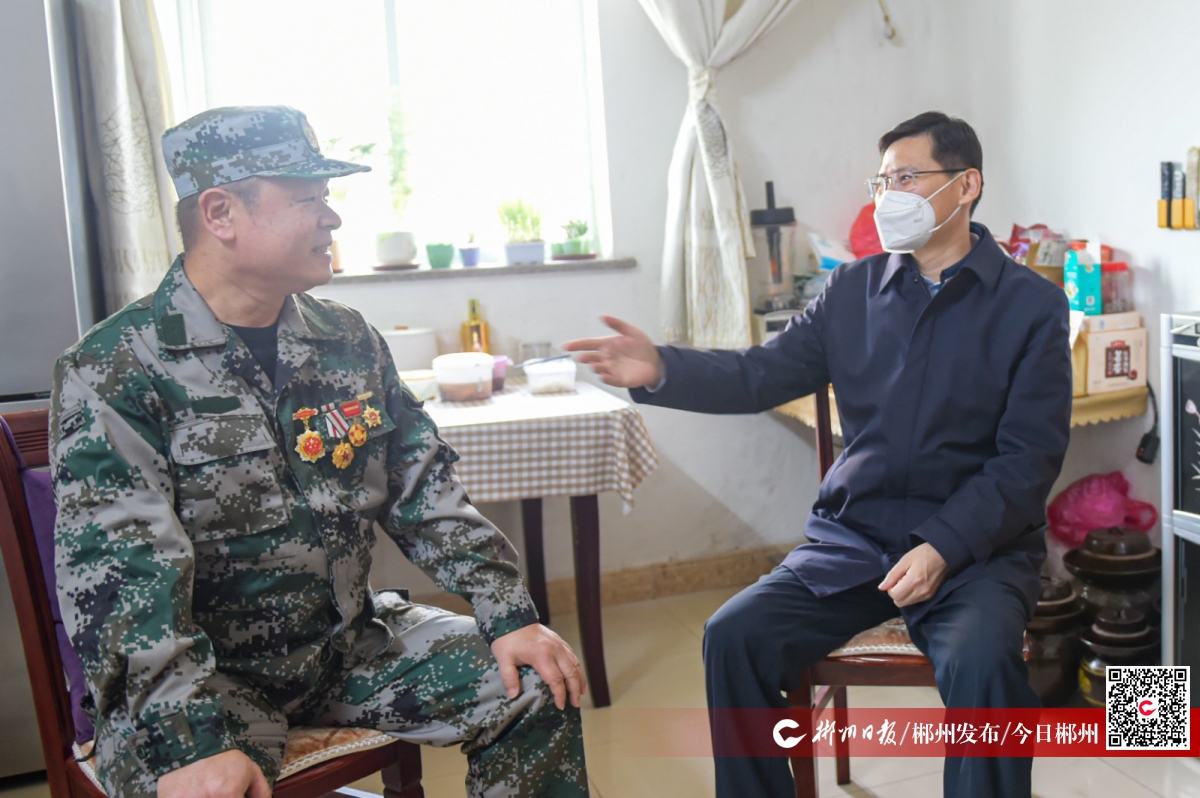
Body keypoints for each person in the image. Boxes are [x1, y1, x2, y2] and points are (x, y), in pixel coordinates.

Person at [50, 105, 588, 798]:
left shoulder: (348, 339)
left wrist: (509, 612)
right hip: (204, 683)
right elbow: (124, 569)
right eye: (308, 199)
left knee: (538, 683)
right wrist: (187, 740)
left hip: (347, 648)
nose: (331, 218)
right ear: (220, 213)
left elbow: (424, 491)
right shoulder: (114, 368)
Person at [564, 111, 1071, 798]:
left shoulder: (1031, 306)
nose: (888, 196)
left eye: (906, 178)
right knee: (733, 636)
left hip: (975, 553)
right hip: (857, 543)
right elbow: (759, 375)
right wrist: (661, 368)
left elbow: (1028, 458)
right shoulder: (852, 291)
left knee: (984, 667)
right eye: (882, 181)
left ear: (966, 185)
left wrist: (945, 547)